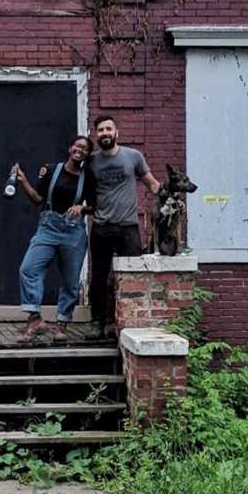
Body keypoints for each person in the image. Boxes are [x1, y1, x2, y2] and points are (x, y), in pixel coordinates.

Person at [12, 134, 96, 343]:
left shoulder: (89, 177)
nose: (79, 150)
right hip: (48, 228)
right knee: (28, 268)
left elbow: (96, 204)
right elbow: (38, 199)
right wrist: (23, 181)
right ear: (70, 148)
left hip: (73, 231)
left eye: (84, 149)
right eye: (77, 146)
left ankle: (62, 324)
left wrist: (82, 207)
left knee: (70, 282)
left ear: (87, 154)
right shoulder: (51, 170)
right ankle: (34, 318)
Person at [86, 114, 161, 336]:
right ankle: (98, 323)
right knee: (99, 277)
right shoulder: (91, 161)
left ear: (117, 132)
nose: (105, 133)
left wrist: (172, 203)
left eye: (109, 129)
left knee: (132, 275)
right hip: (101, 227)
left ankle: (125, 322)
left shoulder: (133, 156)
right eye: (101, 130)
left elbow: (152, 184)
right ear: (96, 135)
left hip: (128, 227)